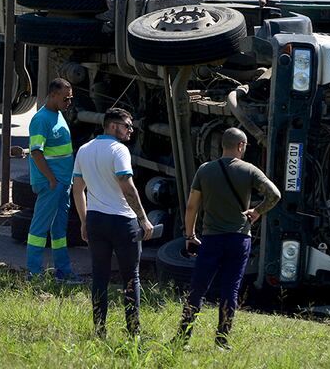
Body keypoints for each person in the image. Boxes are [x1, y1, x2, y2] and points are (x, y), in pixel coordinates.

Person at [175, 127, 281, 349]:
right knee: (230, 290)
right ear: (241, 146)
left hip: (211, 239)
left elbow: (192, 206)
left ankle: (182, 338)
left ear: (222, 145)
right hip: (239, 239)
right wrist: (257, 211)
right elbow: (275, 195)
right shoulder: (250, 170)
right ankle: (221, 341)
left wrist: (190, 235)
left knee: (198, 288)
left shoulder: (205, 170)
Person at [71, 108, 154, 338]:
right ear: (113, 126)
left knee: (99, 277)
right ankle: (133, 332)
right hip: (123, 222)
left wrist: (84, 220)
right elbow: (127, 187)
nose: (130, 130)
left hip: (96, 220)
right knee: (131, 277)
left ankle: (99, 330)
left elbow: (78, 190)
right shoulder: (119, 151)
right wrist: (143, 218)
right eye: (127, 126)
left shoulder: (84, 150)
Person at [26, 78, 79, 281]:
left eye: (71, 98)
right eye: (66, 98)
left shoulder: (58, 115)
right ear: (54, 95)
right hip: (52, 183)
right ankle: (33, 273)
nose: (69, 102)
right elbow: (36, 152)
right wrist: (51, 179)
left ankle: (63, 271)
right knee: (40, 228)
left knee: (59, 230)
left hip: (62, 183)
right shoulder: (42, 119)